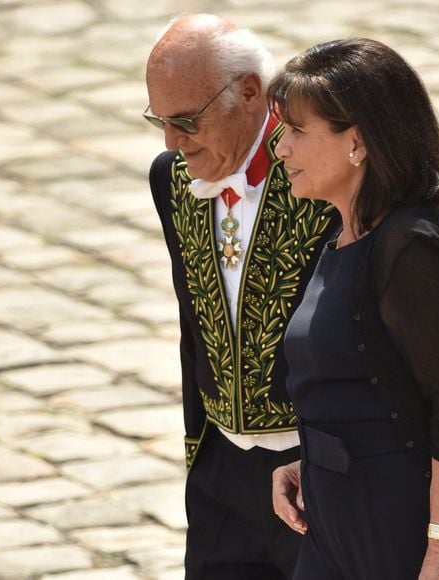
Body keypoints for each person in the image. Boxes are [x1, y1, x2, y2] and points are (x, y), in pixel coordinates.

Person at [269, 38, 439, 580]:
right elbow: (358, 387)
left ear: (356, 142)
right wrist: (310, 461)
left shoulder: (411, 248)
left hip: (409, 535)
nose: (281, 148)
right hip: (338, 525)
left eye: (296, 132)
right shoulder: (338, 237)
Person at [144, 14, 338, 580]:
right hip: (221, 475)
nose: (171, 141)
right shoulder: (171, 177)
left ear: (249, 92)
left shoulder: (326, 167)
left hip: (317, 474)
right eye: (158, 120)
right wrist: (198, 451)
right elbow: (193, 318)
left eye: (184, 121)